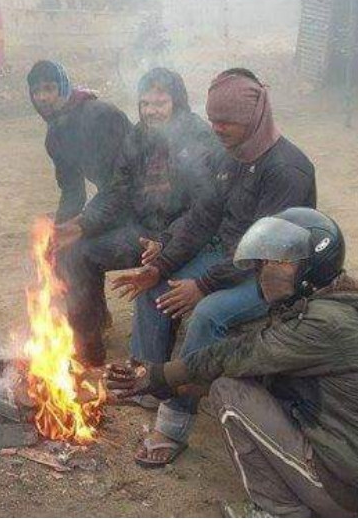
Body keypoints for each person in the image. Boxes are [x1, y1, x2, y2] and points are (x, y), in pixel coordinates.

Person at [107, 208, 358, 517]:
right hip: (357, 471)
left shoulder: (325, 323)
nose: (264, 270)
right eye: (265, 261)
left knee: (229, 393)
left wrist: (160, 375)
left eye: (278, 262)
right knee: (236, 383)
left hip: (347, 488)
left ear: (313, 266)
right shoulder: (319, 302)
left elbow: (237, 355)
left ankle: (280, 510)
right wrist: (172, 388)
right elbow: (262, 374)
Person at [111, 68, 318, 467]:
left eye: (226, 122)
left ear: (253, 118)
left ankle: (174, 422)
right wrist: (161, 265)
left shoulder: (287, 170)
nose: (217, 128)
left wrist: (203, 285)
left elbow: (263, 250)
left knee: (208, 314)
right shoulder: (229, 156)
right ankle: (147, 382)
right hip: (227, 257)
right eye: (213, 119)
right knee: (154, 288)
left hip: (274, 273)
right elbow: (202, 217)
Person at [56, 67, 220, 366]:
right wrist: (83, 223)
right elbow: (116, 192)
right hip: (144, 233)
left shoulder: (199, 138)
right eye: (145, 104)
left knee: (156, 283)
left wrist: (166, 242)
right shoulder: (137, 136)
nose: (151, 111)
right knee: (77, 253)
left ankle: (153, 366)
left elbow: (203, 210)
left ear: (177, 102)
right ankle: (89, 350)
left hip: (186, 238)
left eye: (160, 103)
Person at [27, 60, 133, 225]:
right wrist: (61, 228)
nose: (42, 98)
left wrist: (85, 222)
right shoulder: (55, 138)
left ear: (63, 88)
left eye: (49, 88)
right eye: (36, 91)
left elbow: (123, 180)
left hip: (149, 195)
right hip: (115, 198)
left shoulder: (99, 116)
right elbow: (72, 191)